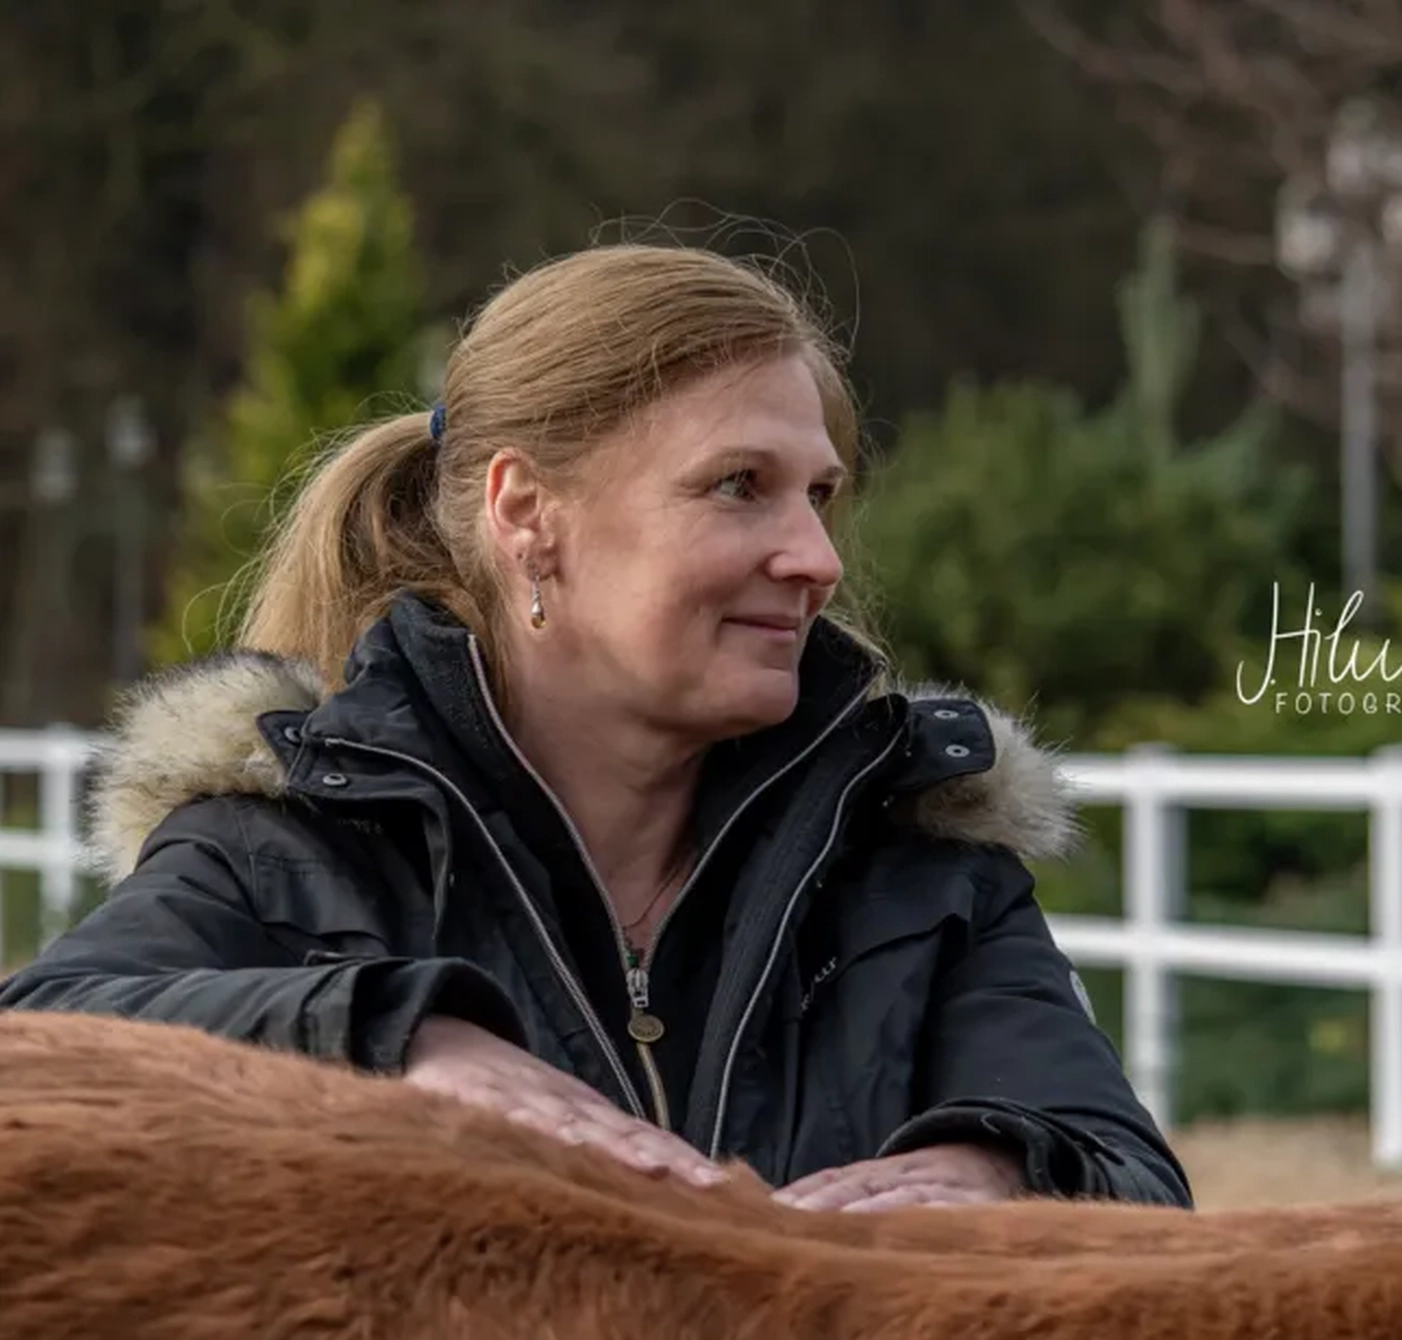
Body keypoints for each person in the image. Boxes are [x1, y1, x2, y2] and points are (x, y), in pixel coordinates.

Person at [0, 242, 1191, 1213]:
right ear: (530, 515)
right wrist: (394, 1042)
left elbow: (1132, 1180)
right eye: (739, 486)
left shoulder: (922, 869)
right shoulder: (286, 850)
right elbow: (37, 1050)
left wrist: (996, 1181)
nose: (817, 559)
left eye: (820, 496)